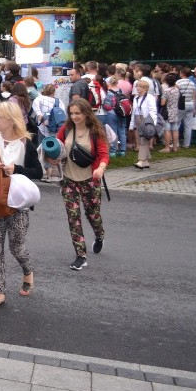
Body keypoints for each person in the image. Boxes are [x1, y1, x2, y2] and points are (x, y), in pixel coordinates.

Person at [0, 102, 43, 309]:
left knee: (17, 247)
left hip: (18, 204)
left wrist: (17, 169)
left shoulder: (26, 143)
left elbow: (38, 172)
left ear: (10, 120)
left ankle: (28, 271)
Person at [49, 98, 109, 271]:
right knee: (73, 217)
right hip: (69, 180)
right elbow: (57, 148)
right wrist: (52, 158)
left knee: (93, 215)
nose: (74, 117)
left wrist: (101, 168)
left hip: (90, 180)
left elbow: (104, 154)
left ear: (86, 113)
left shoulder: (95, 131)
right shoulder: (66, 129)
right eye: (72, 113)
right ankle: (80, 256)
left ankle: (99, 235)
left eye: (78, 113)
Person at [129, 79, 157, 169]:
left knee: (143, 140)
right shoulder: (136, 98)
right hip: (138, 119)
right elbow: (134, 112)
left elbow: (153, 111)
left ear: (145, 88)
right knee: (140, 139)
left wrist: (152, 123)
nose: (137, 88)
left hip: (146, 120)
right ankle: (146, 161)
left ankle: (141, 160)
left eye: (140, 86)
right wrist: (132, 124)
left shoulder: (150, 97)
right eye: (137, 86)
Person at [159, 73, 181, 153]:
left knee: (167, 130)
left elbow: (162, 103)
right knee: (175, 129)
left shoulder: (166, 91)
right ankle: (175, 147)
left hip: (168, 111)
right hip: (175, 110)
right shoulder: (177, 89)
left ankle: (167, 147)